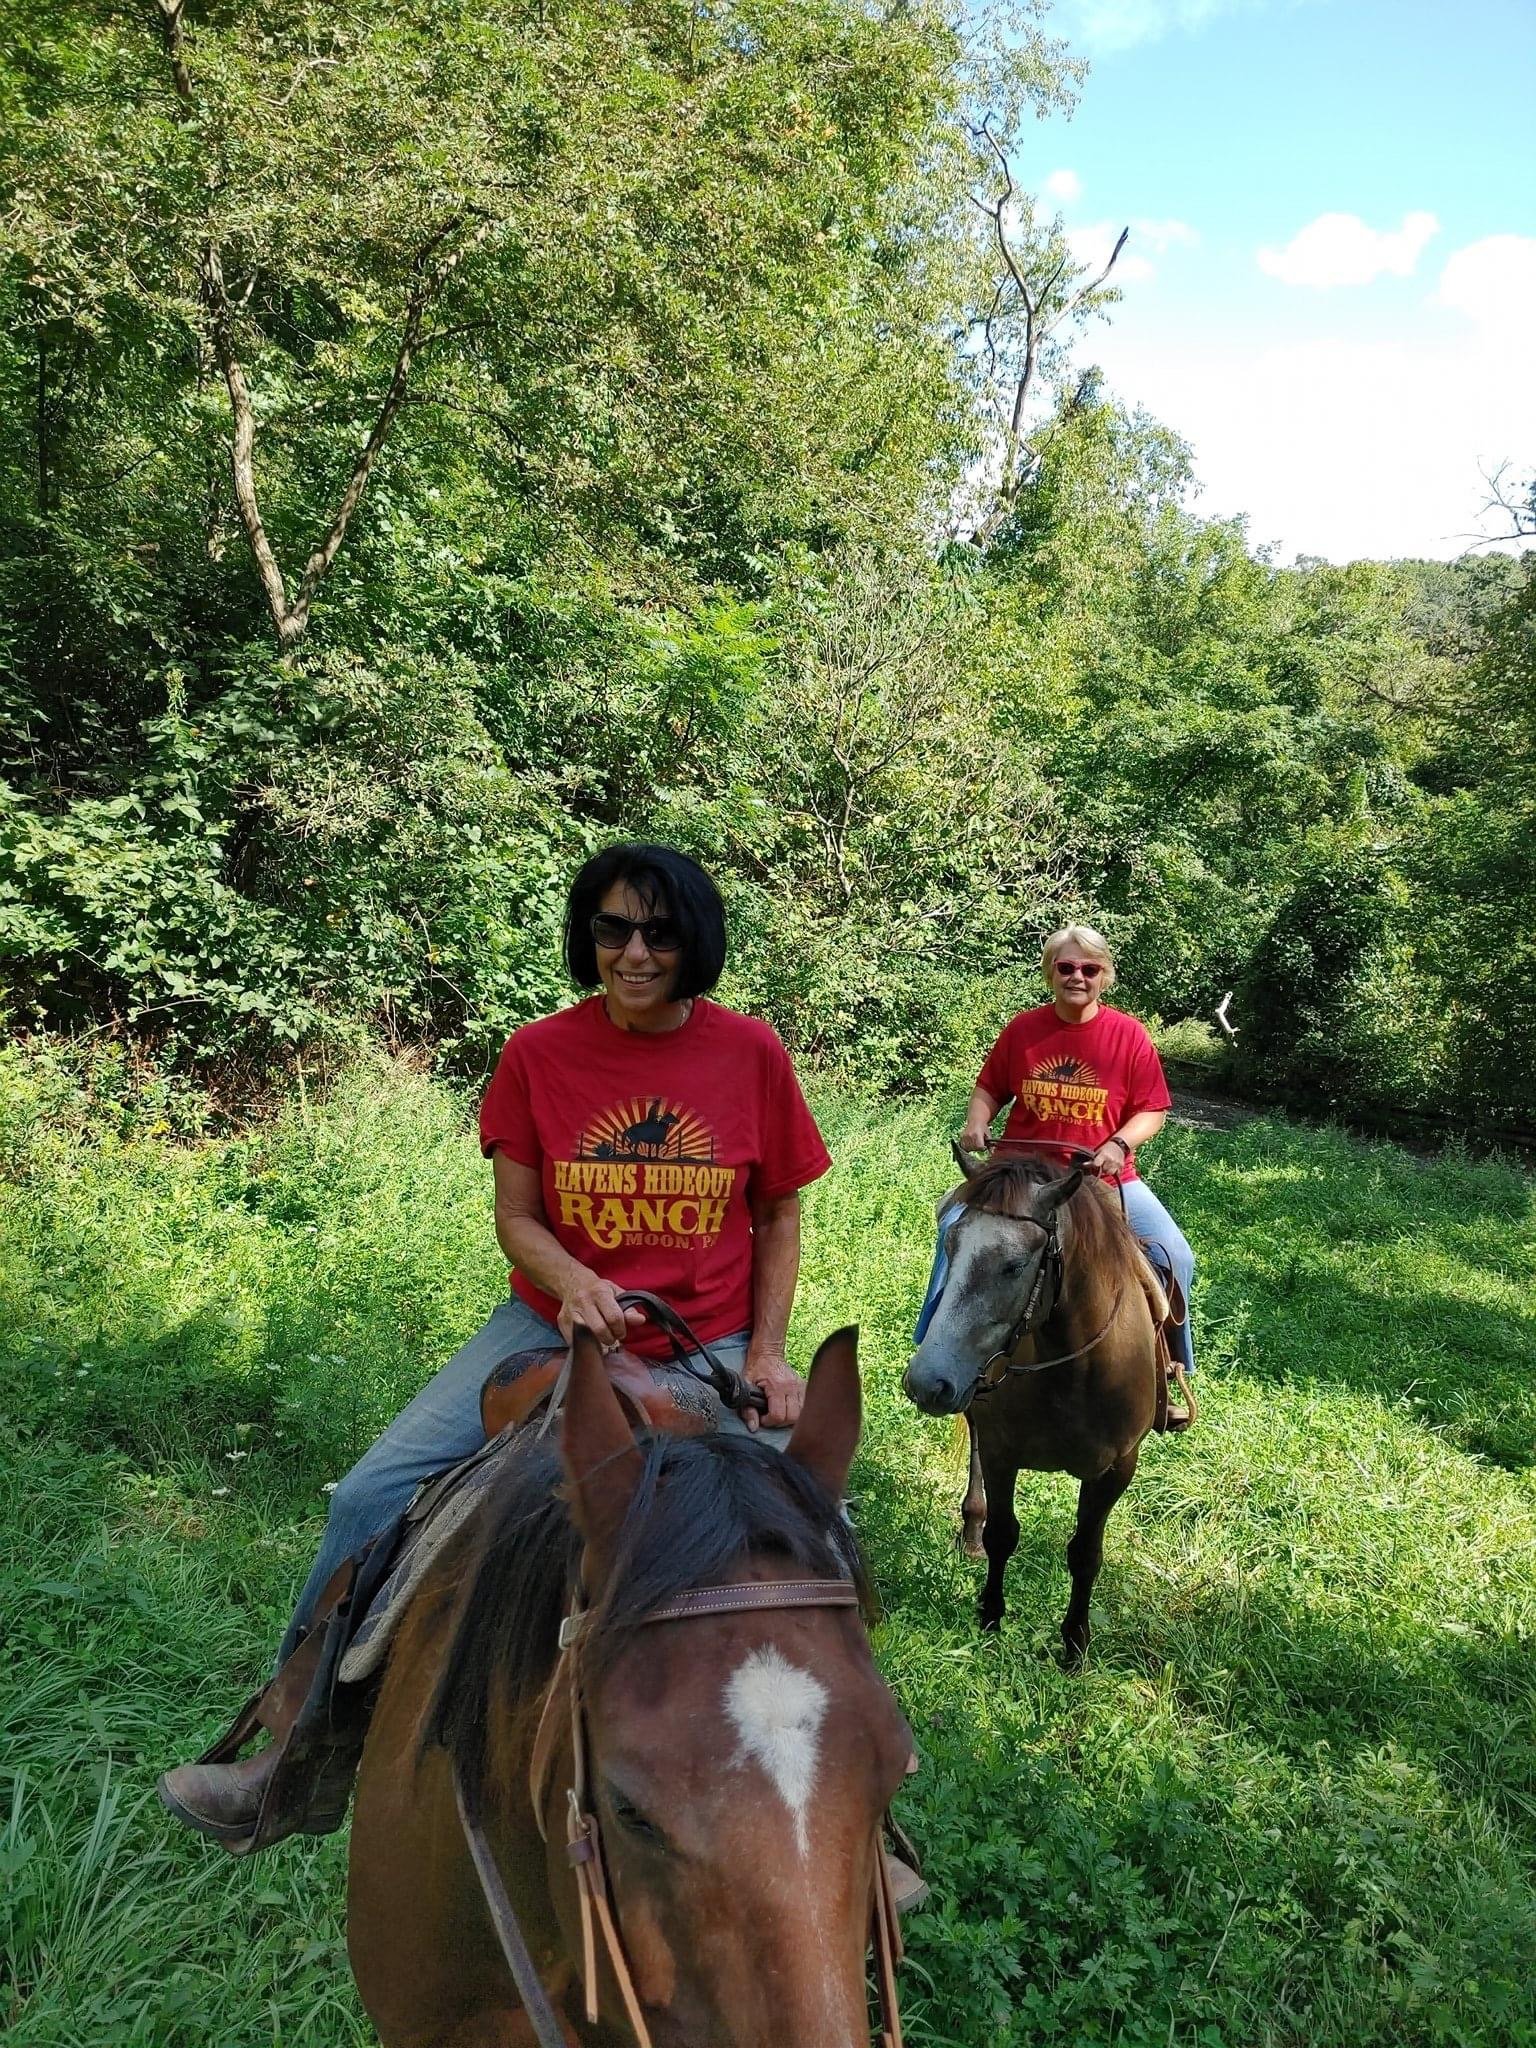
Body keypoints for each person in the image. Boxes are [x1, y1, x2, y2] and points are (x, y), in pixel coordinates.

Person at [158, 842, 832, 1850]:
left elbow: (777, 1213)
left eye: (657, 930)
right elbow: (518, 1218)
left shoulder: (751, 1055)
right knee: (367, 1497)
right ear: (587, 936)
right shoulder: (539, 1054)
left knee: (808, 1528)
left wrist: (771, 1355)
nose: (634, 951)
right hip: (548, 1327)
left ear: (695, 938)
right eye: (612, 928)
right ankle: (296, 1751)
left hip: (712, 1334)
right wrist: (575, 1282)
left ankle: (842, 1811)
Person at [918, 923, 1195, 1371]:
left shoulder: (1129, 1036)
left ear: (1105, 975)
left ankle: (1170, 1366)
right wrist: (977, 1120)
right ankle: (934, 1340)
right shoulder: (1024, 1030)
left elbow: (1152, 1110)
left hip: (1097, 1179)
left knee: (1174, 1253)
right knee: (954, 1224)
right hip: (1018, 1178)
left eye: (1090, 968)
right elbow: (989, 1088)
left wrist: (1118, 1144)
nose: (1077, 977)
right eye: (1066, 967)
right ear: (1050, 973)